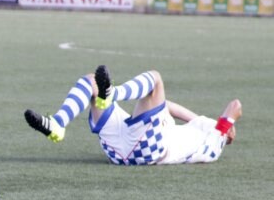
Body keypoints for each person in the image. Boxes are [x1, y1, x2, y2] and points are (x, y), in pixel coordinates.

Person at [24, 65, 242, 165]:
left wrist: (229, 123)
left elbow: (234, 108)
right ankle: (58, 123)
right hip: (121, 147)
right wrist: (204, 120)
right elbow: (169, 106)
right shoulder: (204, 129)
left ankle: (112, 93)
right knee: (91, 81)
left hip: (151, 149)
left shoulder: (214, 144)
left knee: (155, 77)